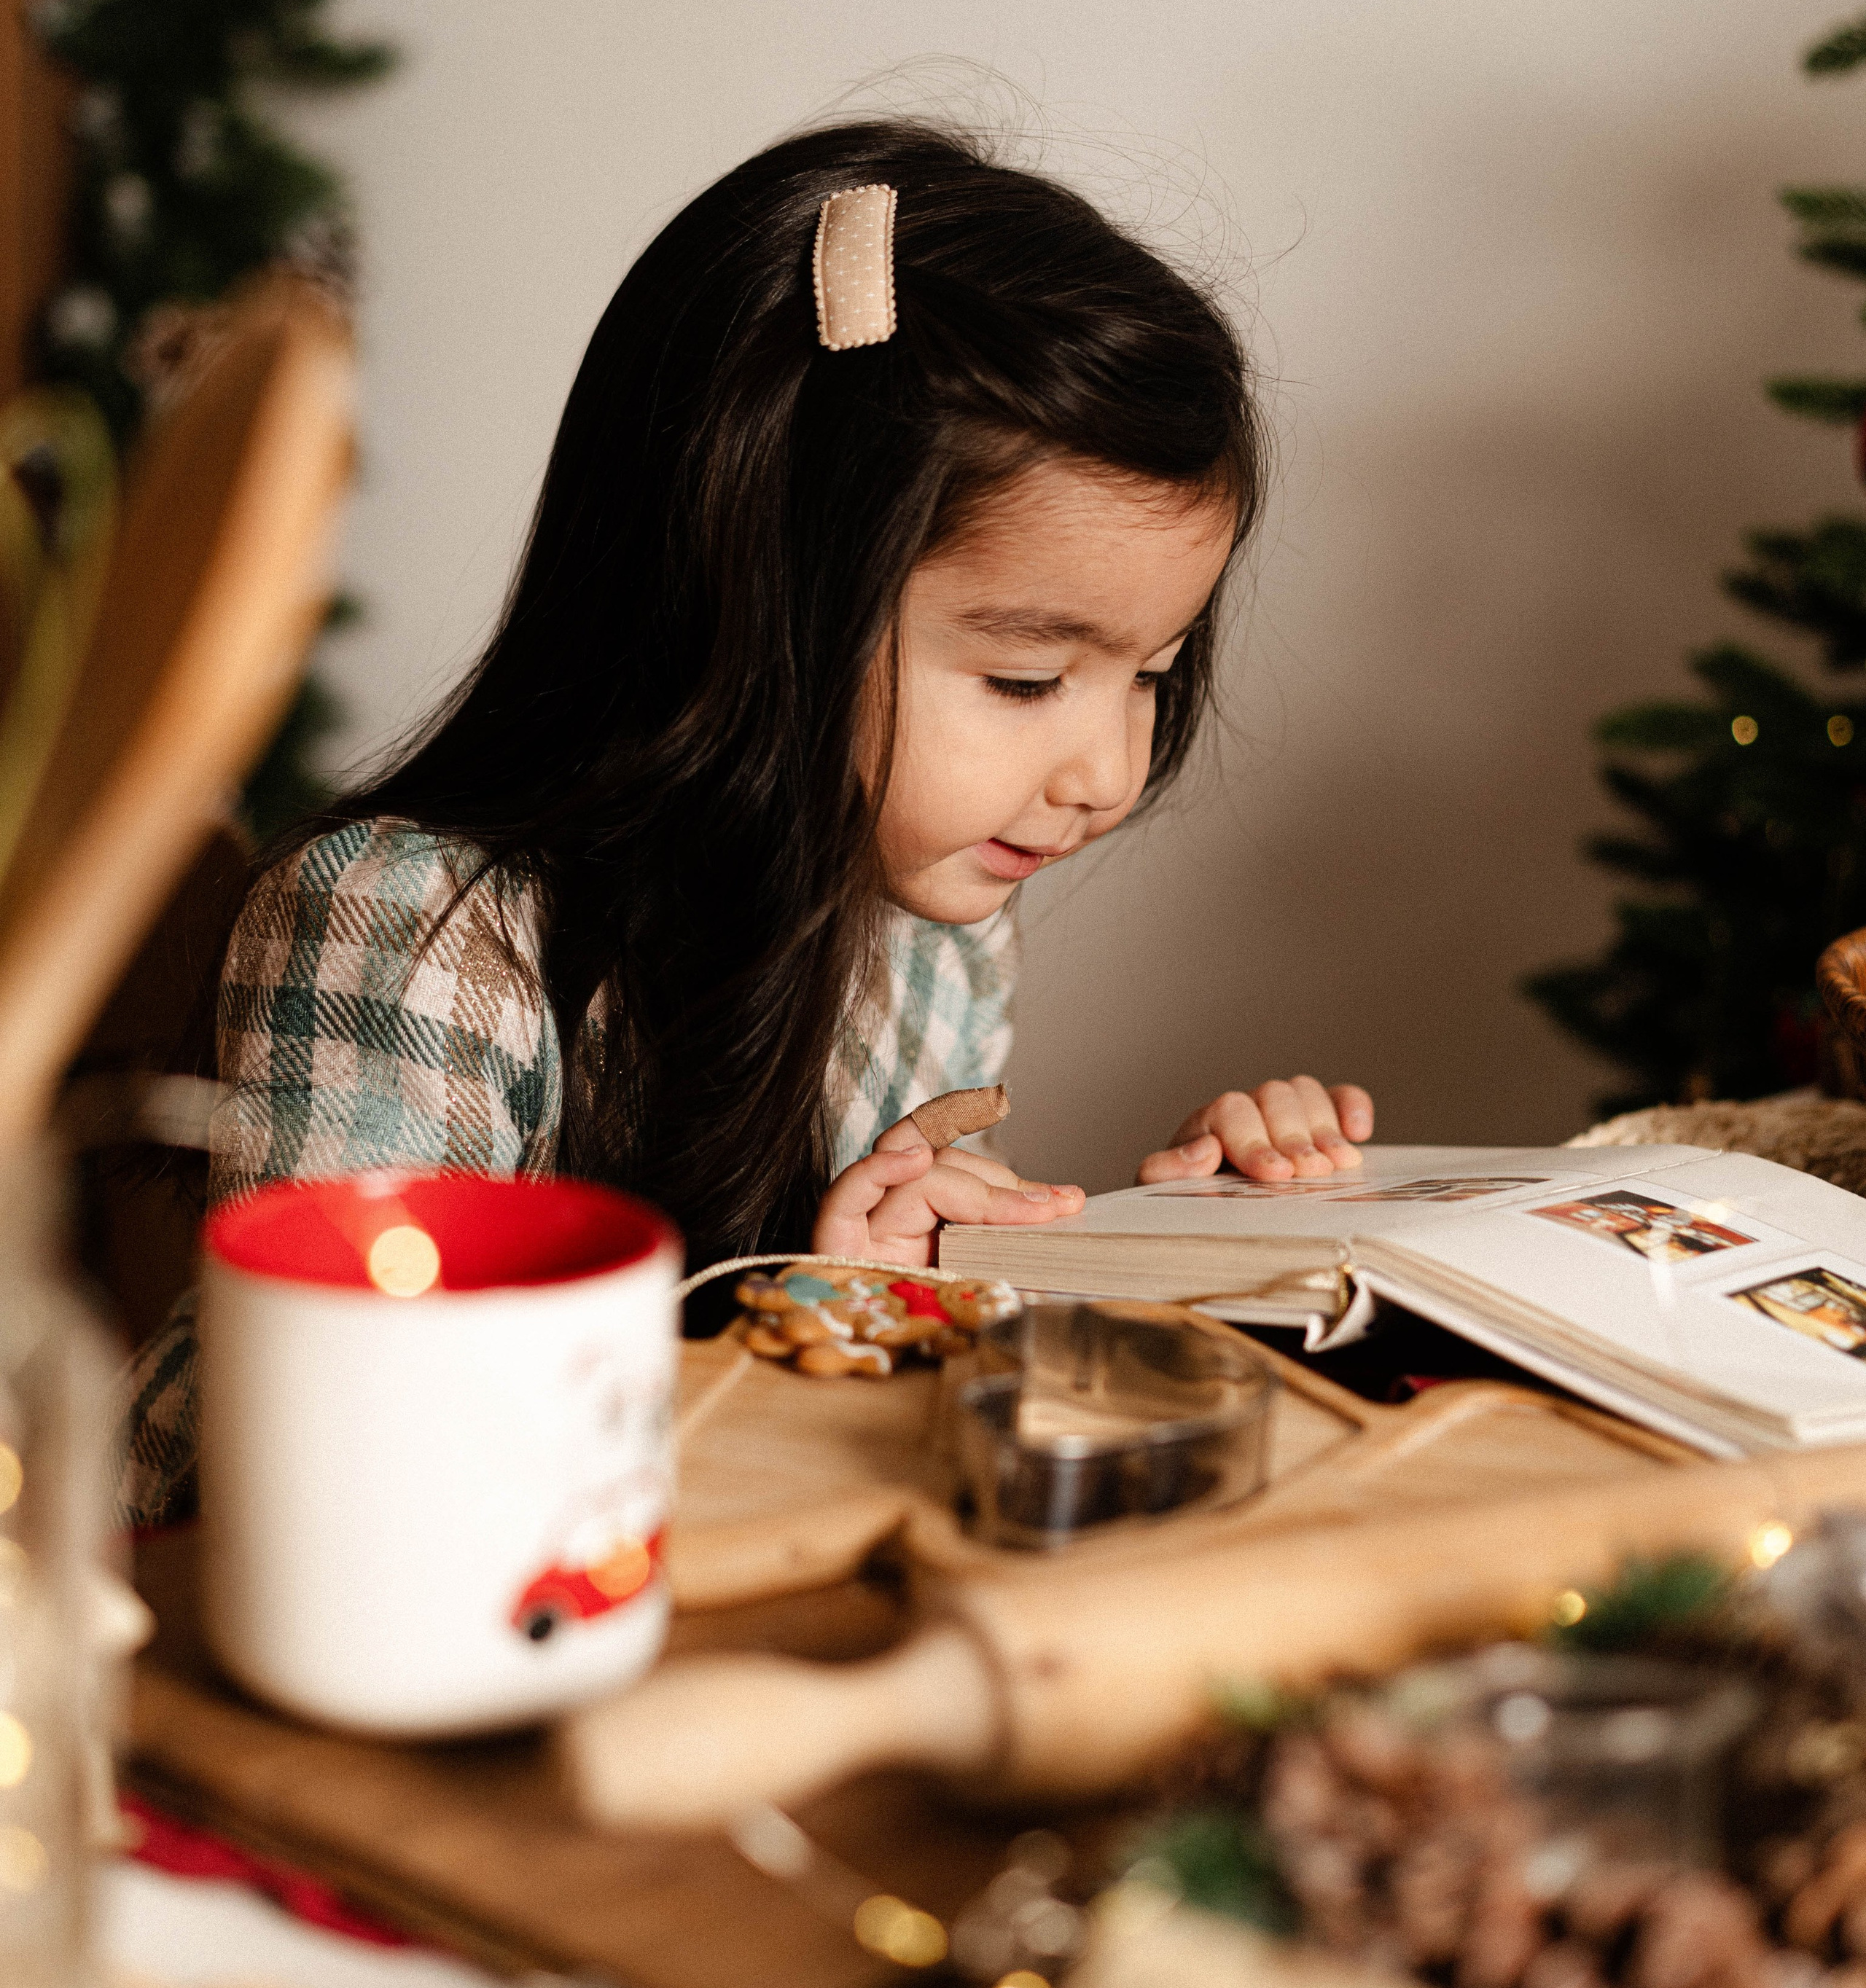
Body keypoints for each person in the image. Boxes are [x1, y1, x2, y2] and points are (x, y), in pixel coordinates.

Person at [118, 117, 1373, 1525]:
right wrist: (767, 1330)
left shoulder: (932, 945)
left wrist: (1196, 1240)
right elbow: (333, 1468)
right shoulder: (407, 931)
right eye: (1028, 677)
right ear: (756, 599)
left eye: (1147, 677)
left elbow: (865, 1383)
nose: (1108, 774)